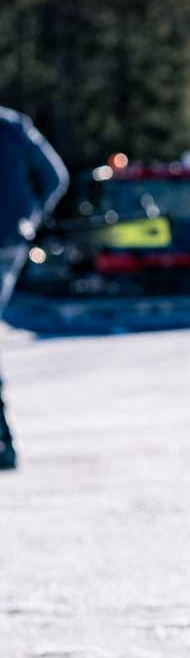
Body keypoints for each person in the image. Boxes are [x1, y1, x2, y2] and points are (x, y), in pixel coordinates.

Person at [0, 107, 68, 472]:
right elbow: (55, 177)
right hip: (11, 239)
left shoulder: (12, 127)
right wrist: (31, 218)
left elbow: (58, 177)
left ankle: (3, 442)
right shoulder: (14, 126)